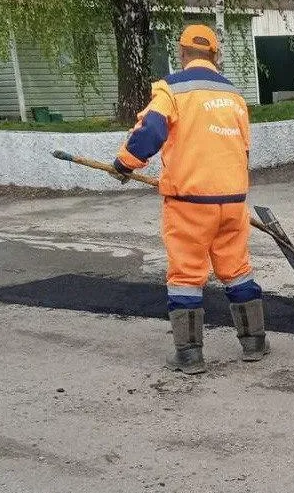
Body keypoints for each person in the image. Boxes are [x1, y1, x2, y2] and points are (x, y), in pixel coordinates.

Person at [110, 24, 267, 375]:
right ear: (214, 55)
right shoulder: (235, 96)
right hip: (232, 201)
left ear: (182, 54)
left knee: (186, 274)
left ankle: (190, 355)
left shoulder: (172, 89)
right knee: (237, 269)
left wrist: (124, 163)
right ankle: (255, 343)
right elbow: (242, 149)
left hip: (190, 202)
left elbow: (150, 131)